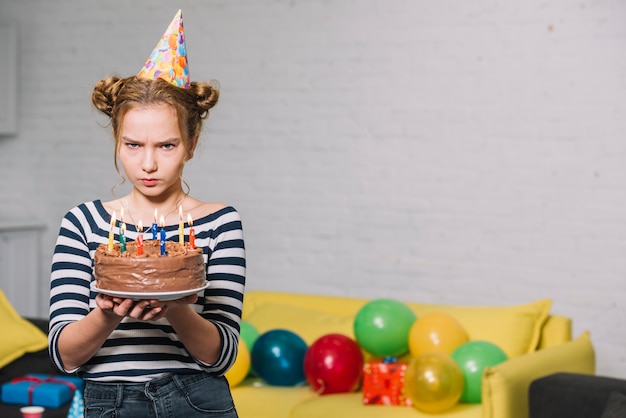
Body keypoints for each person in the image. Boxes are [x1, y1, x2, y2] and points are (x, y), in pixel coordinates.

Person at [48, 10, 245, 417]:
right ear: (117, 142)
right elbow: (64, 356)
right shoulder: (83, 224)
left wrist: (174, 306)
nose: (148, 164)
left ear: (192, 142)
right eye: (133, 145)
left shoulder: (220, 223)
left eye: (167, 146)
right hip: (110, 402)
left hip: (197, 400)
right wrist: (107, 311)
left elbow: (221, 355)